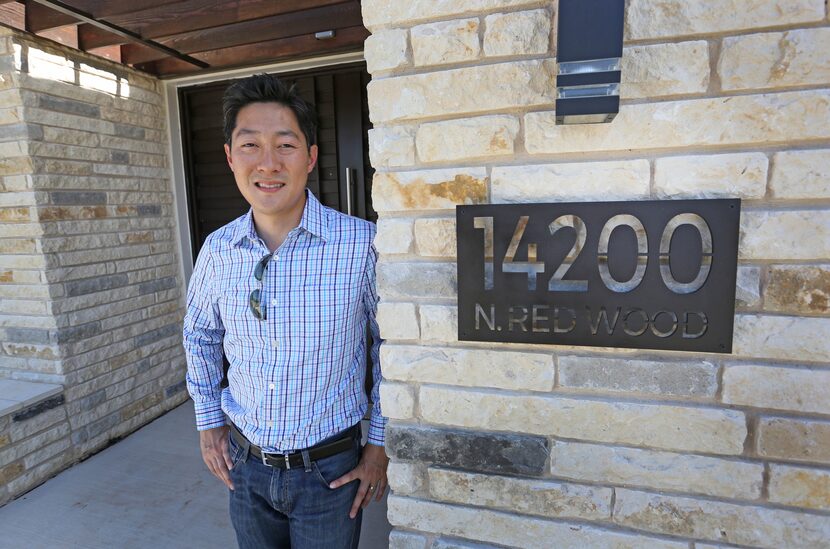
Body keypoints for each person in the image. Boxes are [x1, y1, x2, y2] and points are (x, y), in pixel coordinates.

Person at [183, 73, 388, 549]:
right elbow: (200, 336)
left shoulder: (359, 245)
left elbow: (389, 348)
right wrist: (209, 422)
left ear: (311, 157)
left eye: (285, 145)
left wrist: (378, 446)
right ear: (231, 157)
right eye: (250, 145)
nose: (268, 163)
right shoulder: (218, 249)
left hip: (331, 472)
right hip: (246, 466)